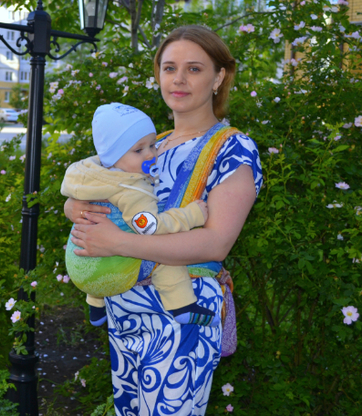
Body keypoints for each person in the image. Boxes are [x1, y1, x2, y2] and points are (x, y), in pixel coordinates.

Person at [64, 25, 263, 415]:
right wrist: (75, 207)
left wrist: (119, 243)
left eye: (194, 69)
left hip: (182, 313)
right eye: (169, 68)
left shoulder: (232, 148)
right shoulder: (147, 144)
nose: (178, 79)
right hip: (125, 306)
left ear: (219, 77)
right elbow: (99, 188)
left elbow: (216, 242)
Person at [61, 102, 218, 328]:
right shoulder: (131, 190)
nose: (151, 154)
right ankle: (182, 306)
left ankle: (96, 306)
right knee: (163, 255)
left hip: (79, 265)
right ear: (114, 156)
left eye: (152, 145)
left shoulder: (92, 174)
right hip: (110, 273)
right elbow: (150, 227)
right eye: (139, 150)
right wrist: (191, 215)